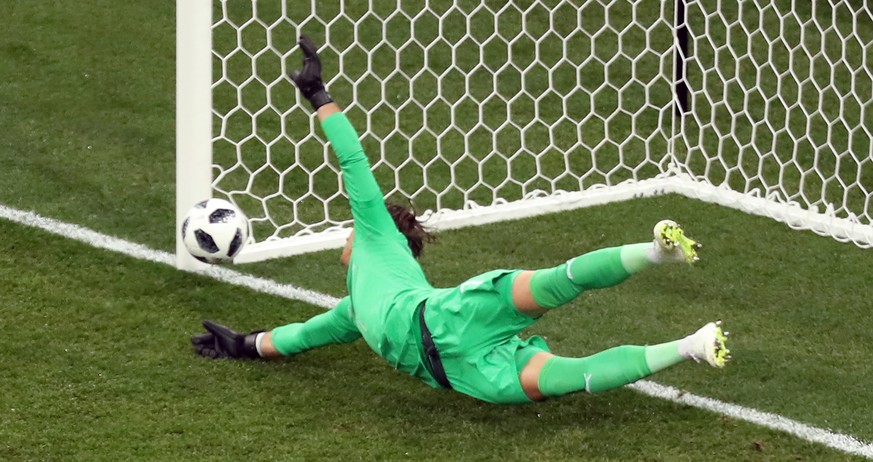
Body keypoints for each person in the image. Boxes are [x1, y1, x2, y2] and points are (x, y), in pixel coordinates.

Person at [191, 36, 731, 405]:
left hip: (448, 317)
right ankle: (693, 345)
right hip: (463, 373)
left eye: (354, 226)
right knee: (577, 377)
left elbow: (354, 163)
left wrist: (319, 98)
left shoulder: (379, 240)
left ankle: (658, 249)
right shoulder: (354, 309)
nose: (347, 233)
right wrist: (242, 344)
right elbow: (298, 337)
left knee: (556, 282)